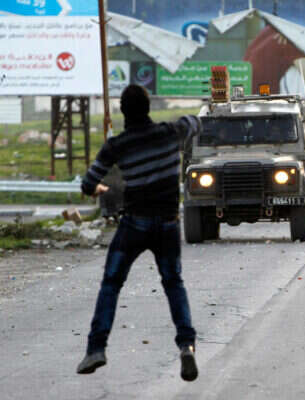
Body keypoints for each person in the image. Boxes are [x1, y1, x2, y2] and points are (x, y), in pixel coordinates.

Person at [76, 84, 200, 382]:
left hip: (135, 224)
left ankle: (96, 349)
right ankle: (186, 345)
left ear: (123, 112)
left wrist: (98, 188)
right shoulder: (170, 132)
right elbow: (196, 122)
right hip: (168, 224)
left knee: (111, 284)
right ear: (148, 108)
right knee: (173, 283)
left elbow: (88, 183)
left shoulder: (116, 146)